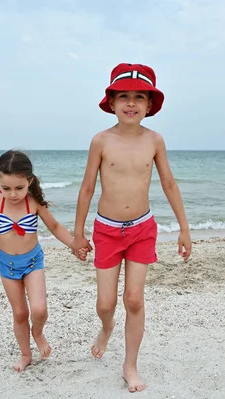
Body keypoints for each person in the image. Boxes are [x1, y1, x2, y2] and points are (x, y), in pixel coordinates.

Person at [71, 63, 192, 392]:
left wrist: (184, 228)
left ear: (150, 105)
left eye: (140, 97)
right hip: (106, 230)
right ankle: (106, 328)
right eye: (123, 96)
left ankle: (130, 365)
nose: (131, 103)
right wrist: (77, 233)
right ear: (111, 102)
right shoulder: (100, 141)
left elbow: (168, 183)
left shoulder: (154, 140)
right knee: (106, 304)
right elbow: (86, 188)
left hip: (142, 228)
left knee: (134, 300)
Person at [0, 150, 88, 373]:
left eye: (19, 188)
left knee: (39, 309)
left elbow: (54, 227)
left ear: (29, 181)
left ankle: (37, 332)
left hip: (33, 261)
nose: (13, 194)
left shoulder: (33, 202)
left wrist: (74, 245)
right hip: (7, 265)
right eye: (6, 188)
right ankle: (26, 354)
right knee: (19, 313)